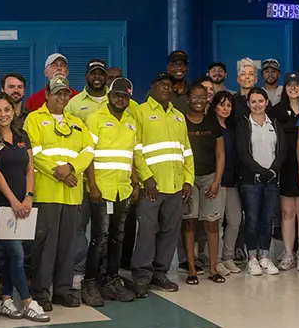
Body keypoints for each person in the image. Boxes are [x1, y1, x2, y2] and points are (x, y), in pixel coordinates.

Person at [25, 75, 94, 309]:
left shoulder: (76, 122)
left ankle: (62, 290)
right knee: (45, 245)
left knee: (67, 244)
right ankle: (41, 292)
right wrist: (60, 172)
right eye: (57, 93)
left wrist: (72, 168)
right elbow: (33, 152)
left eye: (66, 93)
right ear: (47, 95)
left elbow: (88, 150)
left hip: (72, 194)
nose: (62, 97)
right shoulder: (34, 120)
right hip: (47, 191)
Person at [0, 93, 49, 321]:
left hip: (24, 204)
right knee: (16, 253)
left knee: (14, 254)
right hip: (3, 205)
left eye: (7, 110)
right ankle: (29, 301)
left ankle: (6, 300)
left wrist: (28, 197)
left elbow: (30, 168)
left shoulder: (22, 136)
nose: (3, 114)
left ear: (14, 111)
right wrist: (13, 201)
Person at [131, 74, 192, 295]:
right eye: (162, 85)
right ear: (152, 87)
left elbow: (186, 150)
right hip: (152, 185)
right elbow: (135, 148)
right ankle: (141, 276)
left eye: (169, 85)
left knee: (169, 232)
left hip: (175, 185)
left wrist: (188, 180)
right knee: (147, 231)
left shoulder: (178, 116)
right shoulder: (140, 112)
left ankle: (160, 273)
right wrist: (145, 177)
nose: (166, 88)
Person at [82, 78, 141, 304]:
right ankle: (90, 283)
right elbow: (88, 154)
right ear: (109, 96)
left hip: (123, 189)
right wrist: (93, 186)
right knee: (100, 237)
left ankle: (111, 281)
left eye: (125, 96)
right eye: (116, 95)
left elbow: (132, 156)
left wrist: (135, 182)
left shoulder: (131, 122)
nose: (120, 99)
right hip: (102, 189)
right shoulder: (95, 119)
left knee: (118, 237)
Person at [237, 87, 284, 275]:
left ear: (267, 102)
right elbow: (242, 152)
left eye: (260, 101)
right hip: (251, 180)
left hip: (272, 180)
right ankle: (252, 258)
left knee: (267, 219)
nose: (257, 105)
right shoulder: (243, 124)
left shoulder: (275, 122)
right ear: (248, 104)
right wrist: (260, 171)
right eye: (253, 101)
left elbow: (282, 151)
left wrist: (272, 171)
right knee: (252, 219)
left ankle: (265, 256)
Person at [182, 86, 227, 281]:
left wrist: (217, 180)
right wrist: (184, 180)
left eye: (203, 97)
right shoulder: (180, 121)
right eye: (195, 97)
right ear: (188, 99)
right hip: (188, 179)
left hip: (210, 178)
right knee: (189, 223)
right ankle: (192, 268)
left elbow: (220, 153)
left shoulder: (212, 122)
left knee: (212, 223)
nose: (199, 101)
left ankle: (213, 269)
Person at [272, 73, 299, 272]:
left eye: (297, 84)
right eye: (290, 85)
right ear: (285, 88)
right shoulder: (277, 111)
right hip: (284, 167)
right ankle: (288, 254)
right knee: (287, 213)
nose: (293, 88)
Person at [213, 91, 245, 274]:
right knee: (216, 222)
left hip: (233, 180)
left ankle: (228, 257)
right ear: (215, 106)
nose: (225, 109)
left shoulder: (232, 128)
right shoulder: (211, 127)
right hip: (218, 180)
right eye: (222, 104)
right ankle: (216, 260)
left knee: (235, 220)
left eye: (229, 105)